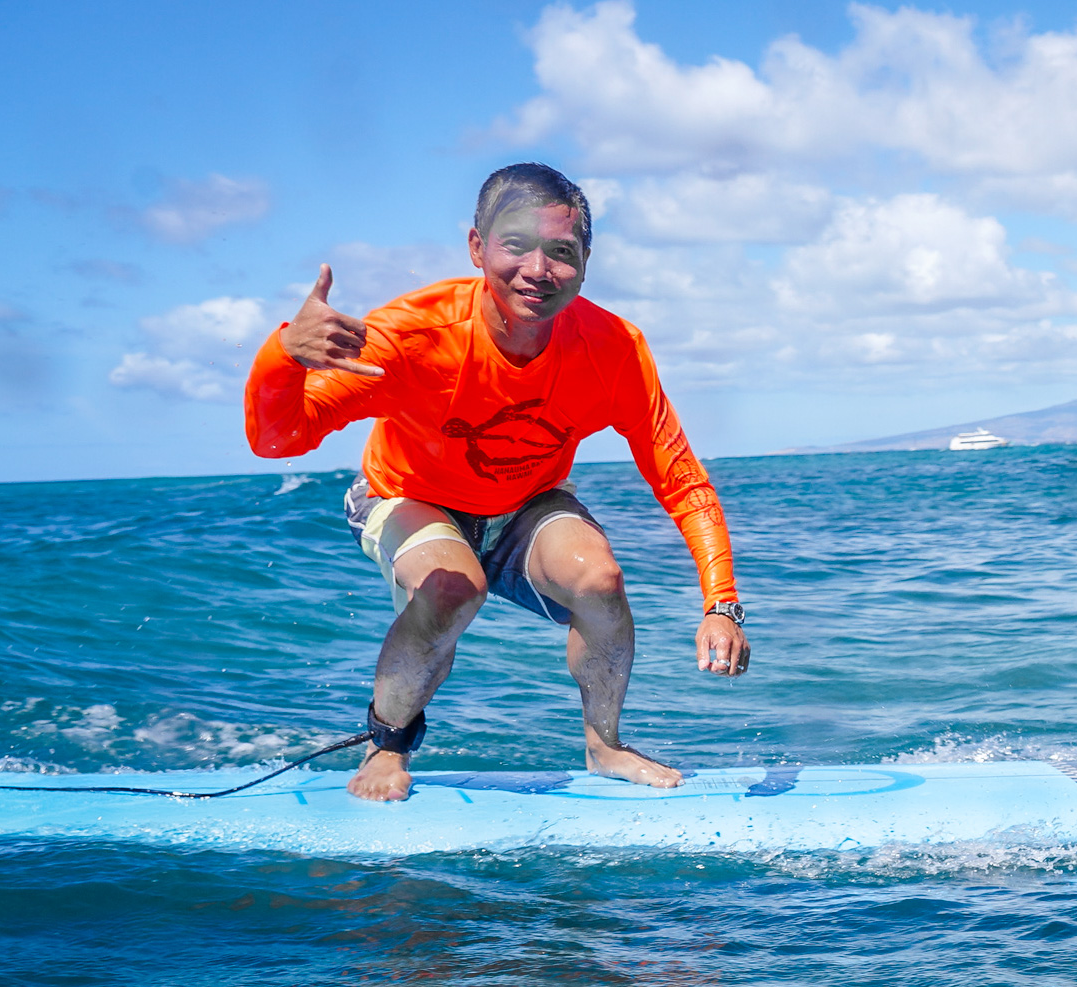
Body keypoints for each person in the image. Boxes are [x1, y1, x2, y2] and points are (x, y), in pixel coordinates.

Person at [244, 163, 748, 802]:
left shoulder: (613, 347)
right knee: (454, 588)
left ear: (587, 260)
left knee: (601, 580)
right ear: (477, 246)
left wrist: (721, 603)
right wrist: (284, 355)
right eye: (516, 246)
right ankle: (386, 749)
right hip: (406, 494)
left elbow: (682, 479)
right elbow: (276, 439)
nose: (539, 269)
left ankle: (605, 746)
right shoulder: (414, 336)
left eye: (562, 252)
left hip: (524, 503)